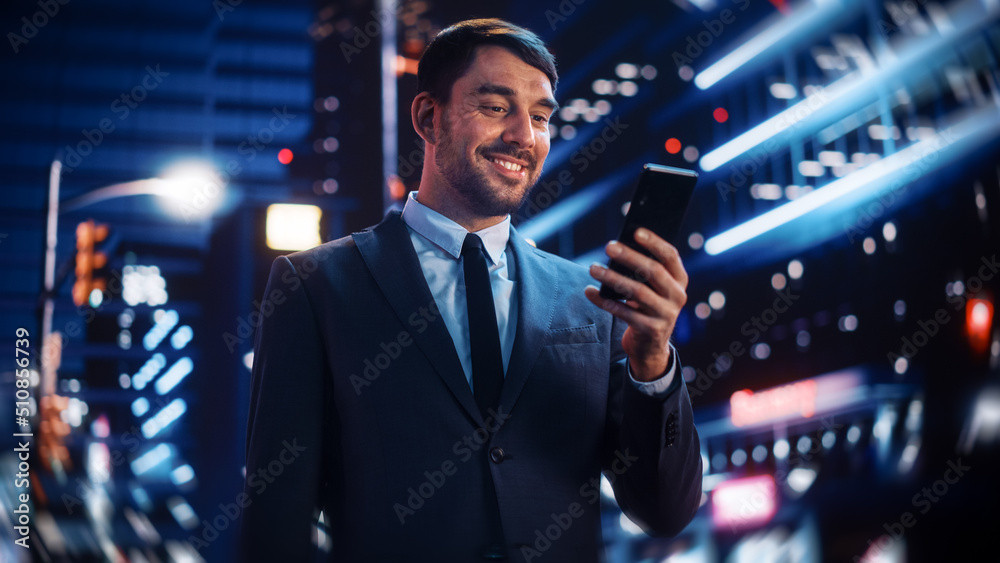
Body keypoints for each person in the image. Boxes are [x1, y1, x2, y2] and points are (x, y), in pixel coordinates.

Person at [239, 18, 701, 562]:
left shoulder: (592, 300)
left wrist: (652, 363)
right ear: (428, 118)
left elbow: (665, 510)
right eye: (496, 107)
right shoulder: (316, 285)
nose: (523, 137)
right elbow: (276, 523)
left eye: (540, 117)